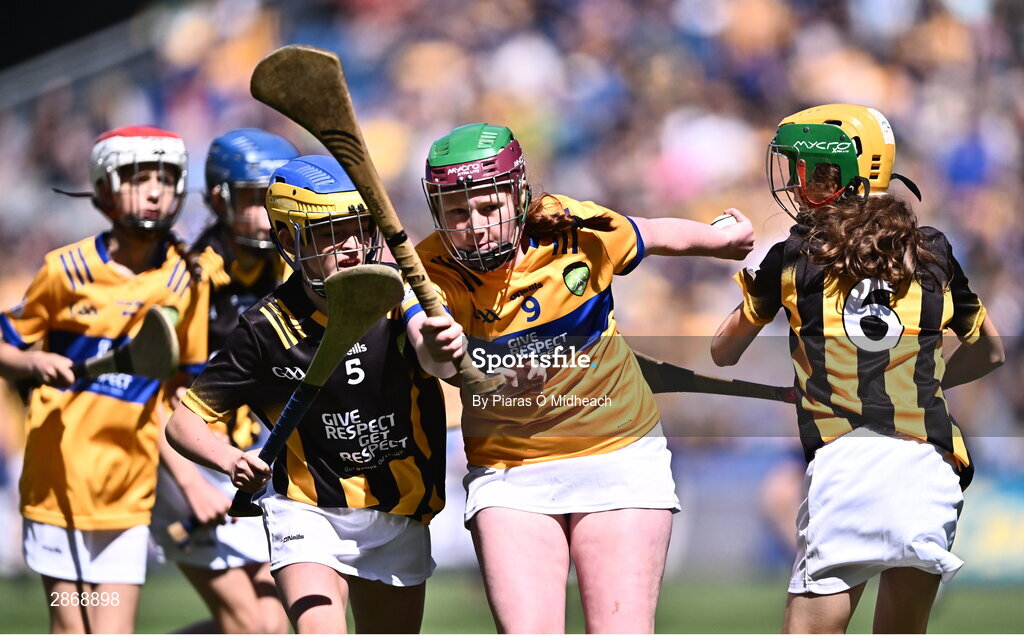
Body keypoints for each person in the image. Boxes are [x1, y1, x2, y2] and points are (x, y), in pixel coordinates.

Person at [411, 123, 754, 633]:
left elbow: (652, 232)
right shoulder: (429, 267)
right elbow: (430, 350)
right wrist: (440, 351)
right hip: (510, 469)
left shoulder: (573, 226)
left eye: (489, 207)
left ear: (518, 194)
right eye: (458, 213)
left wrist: (723, 240)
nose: (475, 226)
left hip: (618, 452)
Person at [710, 104, 1005, 634]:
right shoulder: (933, 250)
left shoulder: (791, 255)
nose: (798, 187)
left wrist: (750, 268)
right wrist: (927, 380)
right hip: (930, 467)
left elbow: (722, 351)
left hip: (847, 468)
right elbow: (991, 352)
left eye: (811, 172)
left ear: (846, 175)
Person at [165, 155, 460, 634]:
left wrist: (442, 345)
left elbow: (434, 357)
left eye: (358, 228)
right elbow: (182, 423)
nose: (349, 247)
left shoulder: (399, 289)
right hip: (306, 511)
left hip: (398, 514)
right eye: (328, 232)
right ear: (288, 240)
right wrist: (230, 460)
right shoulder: (265, 328)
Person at [0, 125, 210, 633]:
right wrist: (32, 364)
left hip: (128, 491)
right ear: (104, 188)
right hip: (58, 483)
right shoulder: (64, 270)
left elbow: (178, 392)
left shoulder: (186, 278)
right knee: (71, 631)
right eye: (140, 177)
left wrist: (192, 481)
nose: (157, 189)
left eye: (167, 177)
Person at [150, 128, 296, 634]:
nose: (272, 213)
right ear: (220, 199)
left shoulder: (284, 267)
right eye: (259, 199)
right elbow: (147, 395)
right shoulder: (190, 277)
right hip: (184, 467)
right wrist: (191, 486)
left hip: (243, 466)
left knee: (278, 623)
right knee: (254, 627)